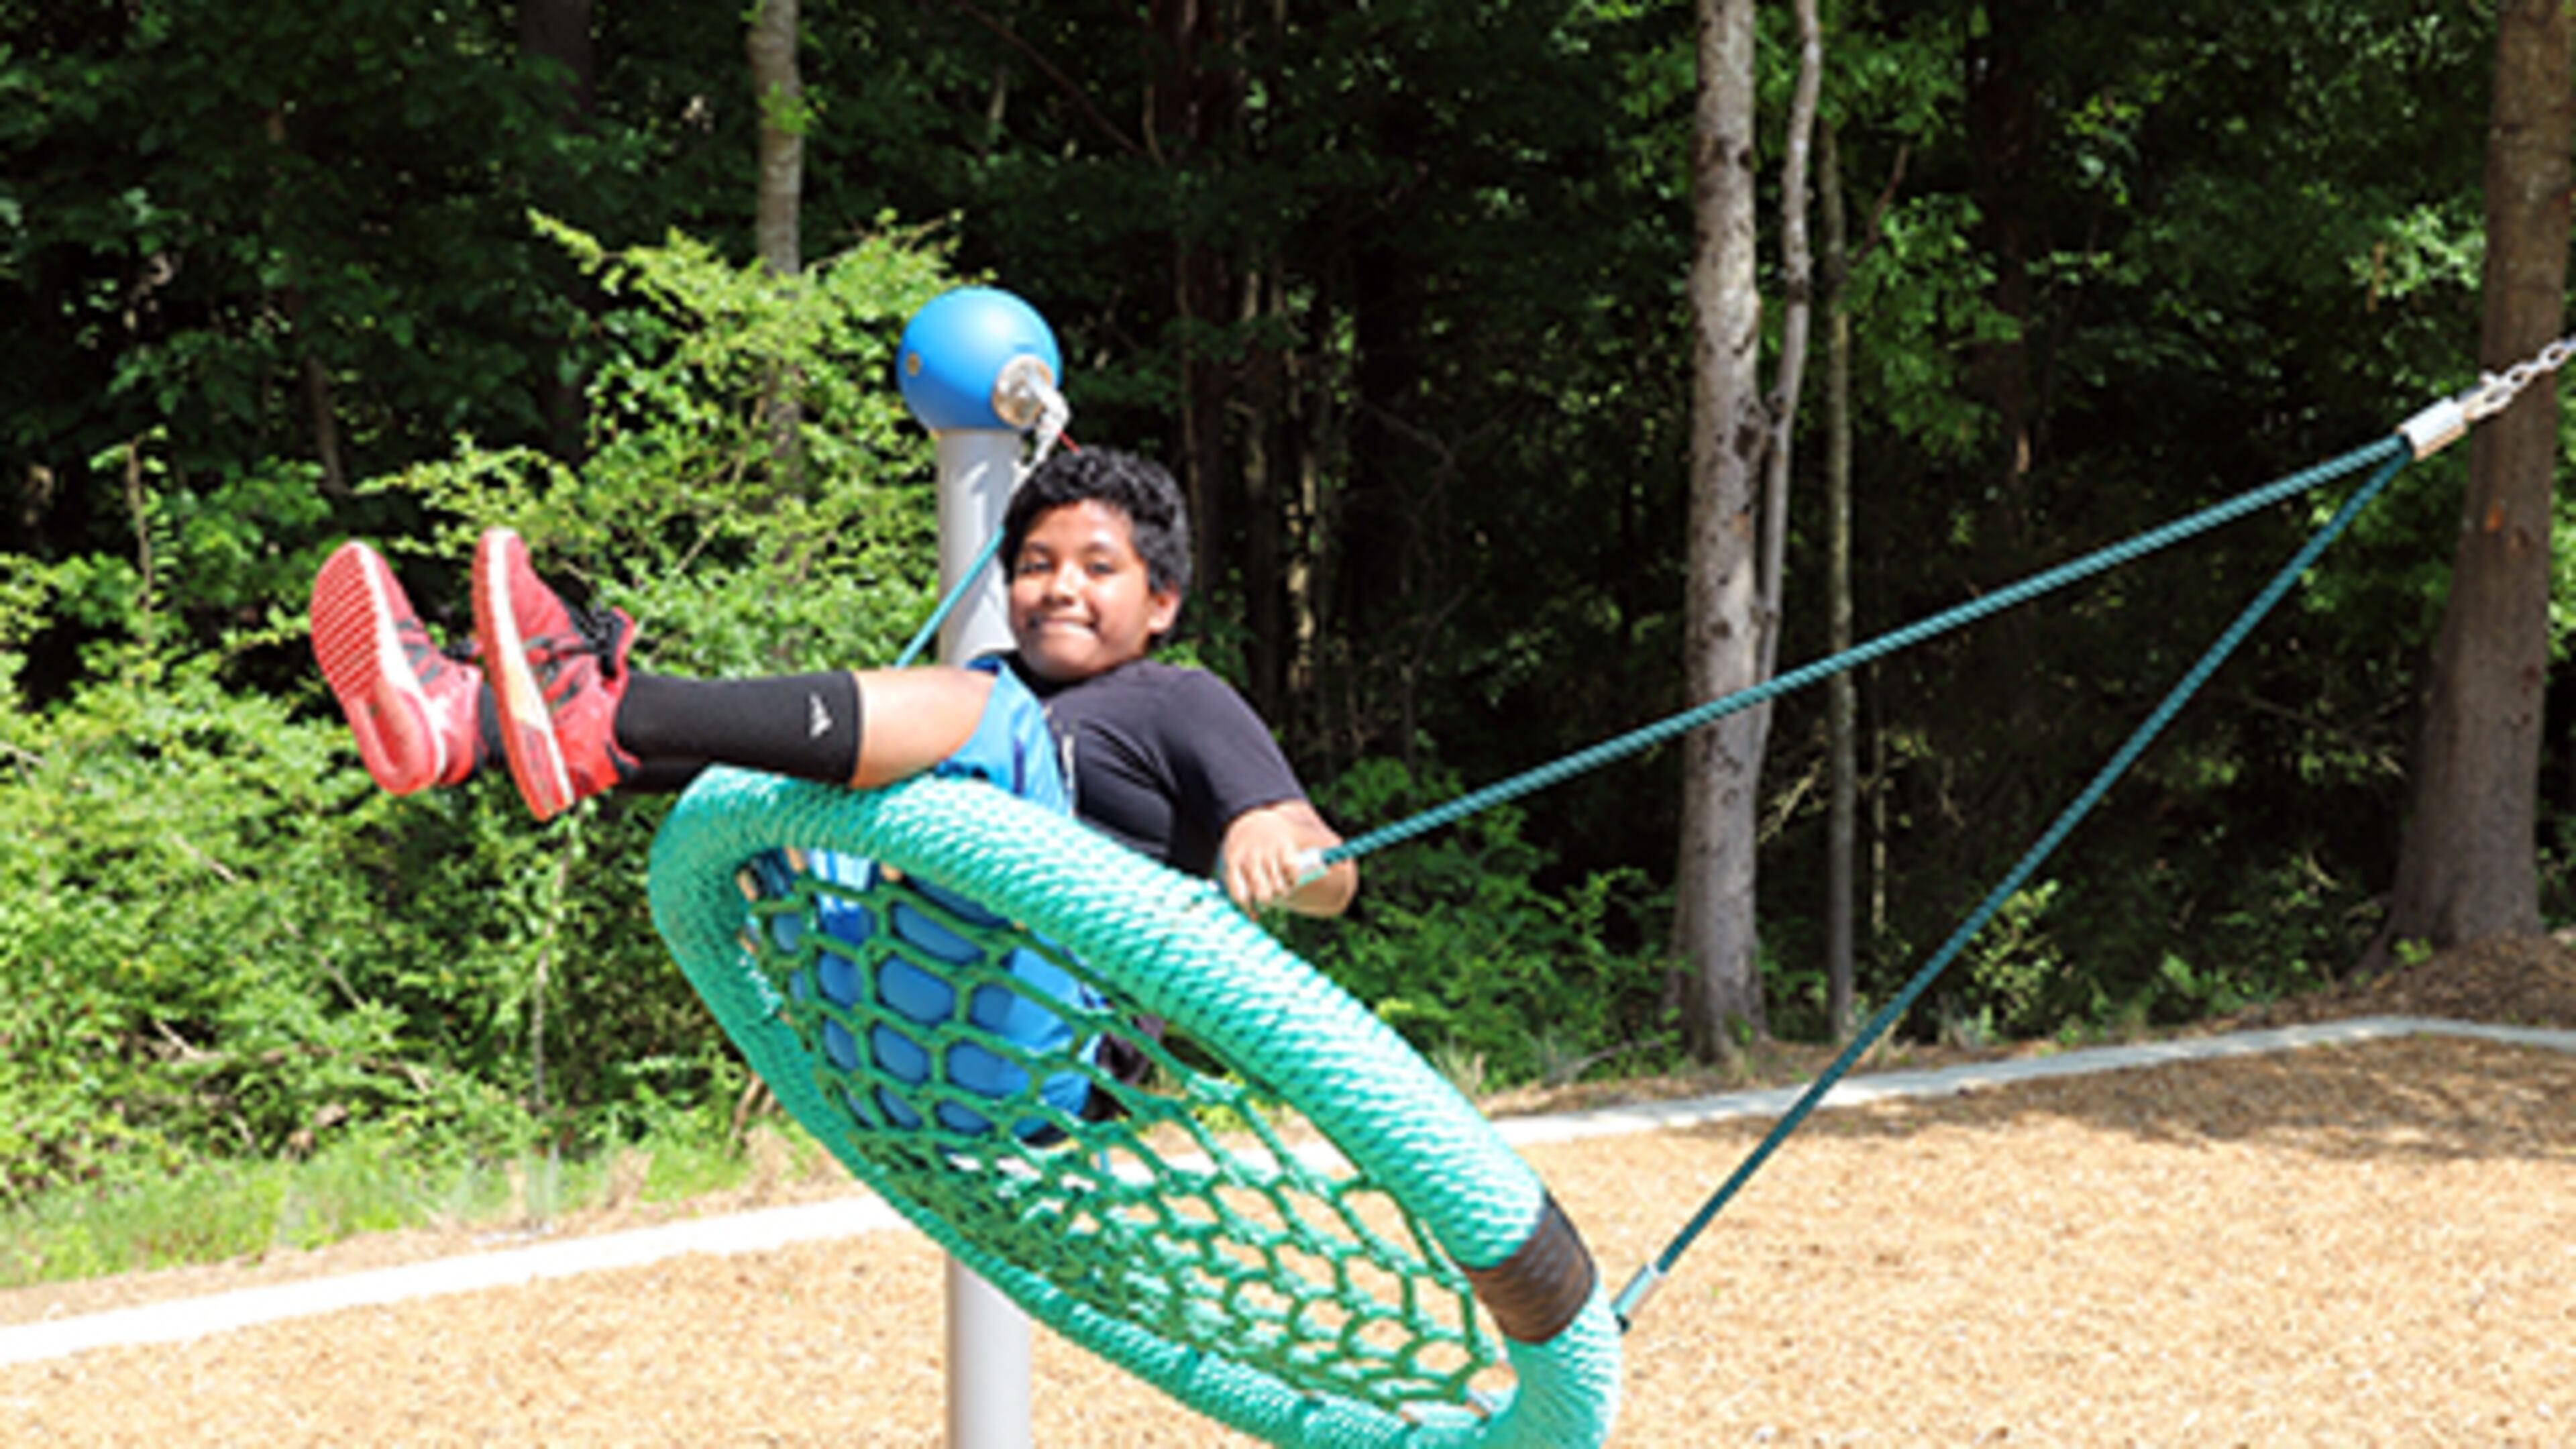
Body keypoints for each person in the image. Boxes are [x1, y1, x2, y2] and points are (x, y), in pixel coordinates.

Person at [307, 446, 1358, 918]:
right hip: (893, 1012)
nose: (1058, 590)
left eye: (1097, 569)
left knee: (973, 714)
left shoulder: (1177, 699)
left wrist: (1279, 844)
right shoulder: (987, 693)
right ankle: (477, 727)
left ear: (1162, 601)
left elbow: (1335, 876)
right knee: (852, 756)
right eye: (1034, 566)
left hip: (1052, 1042)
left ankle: (576, 710)